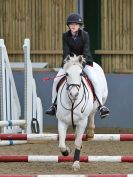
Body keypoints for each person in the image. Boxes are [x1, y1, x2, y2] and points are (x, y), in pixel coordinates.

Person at [46, 13, 110, 118]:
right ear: (69, 25)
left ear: (79, 25)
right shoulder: (65, 36)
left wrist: (79, 65)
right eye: (71, 24)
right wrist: (69, 65)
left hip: (84, 62)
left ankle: (101, 106)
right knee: (56, 80)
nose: (73, 26)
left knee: (94, 80)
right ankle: (54, 105)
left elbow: (85, 51)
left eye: (76, 24)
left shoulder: (85, 35)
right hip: (70, 64)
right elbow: (66, 53)